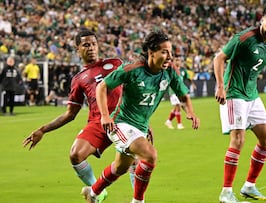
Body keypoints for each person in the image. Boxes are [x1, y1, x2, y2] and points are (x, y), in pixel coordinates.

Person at [81, 30, 200, 203]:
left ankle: (91, 192)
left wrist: (190, 111)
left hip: (141, 127)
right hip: (120, 124)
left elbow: (183, 95)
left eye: (171, 52)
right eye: (164, 52)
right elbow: (102, 87)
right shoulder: (132, 69)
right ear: (151, 52)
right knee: (150, 155)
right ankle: (138, 201)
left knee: (119, 168)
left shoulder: (170, 71)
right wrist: (105, 116)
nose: (169, 57)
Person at [22, 29, 124, 202]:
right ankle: (98, 192)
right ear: (78, 49)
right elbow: (70, 113)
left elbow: (134, 89)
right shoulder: (78, 79)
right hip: (98, 122)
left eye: (93, 44)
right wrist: (43, 130)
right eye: (86, 45)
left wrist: (142, 120)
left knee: (133, 158)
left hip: (123, 118)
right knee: (75, 154)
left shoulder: (115, 63)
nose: (91, 48)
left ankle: (138, 199)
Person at [213, 7, 266, 203]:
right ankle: (226, 192)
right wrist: (220, 86)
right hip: (234, 93)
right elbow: (219, 58)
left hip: (252, 96)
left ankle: (249, 186)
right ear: (262, 20)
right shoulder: (243, 38)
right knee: (238, 140)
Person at [164, 55, 196, 130]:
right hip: (173, 91)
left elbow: (188, 78)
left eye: (179, 60)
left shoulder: (183, 70)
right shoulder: (171, 69)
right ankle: (179, 124)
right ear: (173, 61)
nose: (178, 62)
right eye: (176, 60)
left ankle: (168, 121)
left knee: (177, 107)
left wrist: (193, 84)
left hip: (180, 91)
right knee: (178, 106)